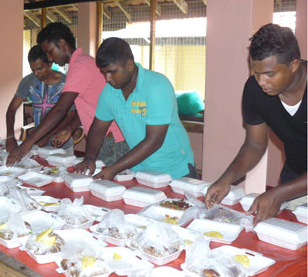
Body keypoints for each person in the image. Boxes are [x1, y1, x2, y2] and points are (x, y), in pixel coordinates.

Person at [205, 24, 307, 225]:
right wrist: (226, 179)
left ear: (293, 66)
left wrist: (278, 194)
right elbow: (254, 144)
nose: (262, 82)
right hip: (296, 177)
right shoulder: (255, 90)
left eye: (270, 74)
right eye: (256, 72)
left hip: (290, 187)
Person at [7, 23, 128, 166]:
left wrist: (26, 144)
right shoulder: (83, 62)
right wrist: (69, 128)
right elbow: (90, 107)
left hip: (111, 139)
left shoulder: (79, 67)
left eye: (50, 51)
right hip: (105, 137)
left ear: (62, 44)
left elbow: (60, 109)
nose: (50, 58)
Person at [75, 37, 195, 180]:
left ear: (129, 65)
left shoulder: (157, 87)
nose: (107, 79)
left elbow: (154, 140)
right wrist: (89, 158)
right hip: (139, 169)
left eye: (112, 72)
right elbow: (98, 129)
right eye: (104, 73)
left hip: (174, 170)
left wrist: (114, 168)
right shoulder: (110, 91)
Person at [5, 45, 77, 153]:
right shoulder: (28, 81)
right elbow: (12, 109)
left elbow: (70, 114)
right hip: (38, 143)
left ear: (50, 63)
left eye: (40, 69)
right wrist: (10, 136)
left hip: (61, 142)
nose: (36, 73)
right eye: (33, 69)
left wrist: (48, 134)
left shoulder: (66, 82)